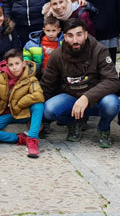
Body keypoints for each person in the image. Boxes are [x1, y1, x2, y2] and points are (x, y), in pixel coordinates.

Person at [42, 18, 120, 148]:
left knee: (112, 103)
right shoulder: (57, 56)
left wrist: (87, 97)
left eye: (79, 34)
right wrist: (38, 118)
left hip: (97, 99)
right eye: (70, 36)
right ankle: (73, 123)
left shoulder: (99, 50)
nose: (75, 40)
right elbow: (46, 86)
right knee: (48, 109)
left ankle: (104, 128)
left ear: (86, 34)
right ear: (65, 37)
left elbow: (113, 80)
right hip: (71, 98)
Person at [0, 49, 44, 158]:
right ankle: (20, 138)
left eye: (17, 64)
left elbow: (39, 95)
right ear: (6, 65)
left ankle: (32, 139)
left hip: (23, 112)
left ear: (23, 63)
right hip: (6, 113)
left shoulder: (30, 78)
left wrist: (19, 104)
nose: (14, 67)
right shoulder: (0, 77)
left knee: (38, 105)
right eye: (10, 65)